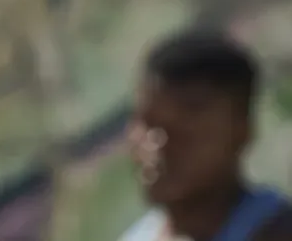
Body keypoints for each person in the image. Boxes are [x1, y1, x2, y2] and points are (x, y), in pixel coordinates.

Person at [120, 29, 292, 241]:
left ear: (241, 132)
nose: (157, 146)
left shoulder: (276, 232)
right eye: (148, 124)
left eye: (182, 132)